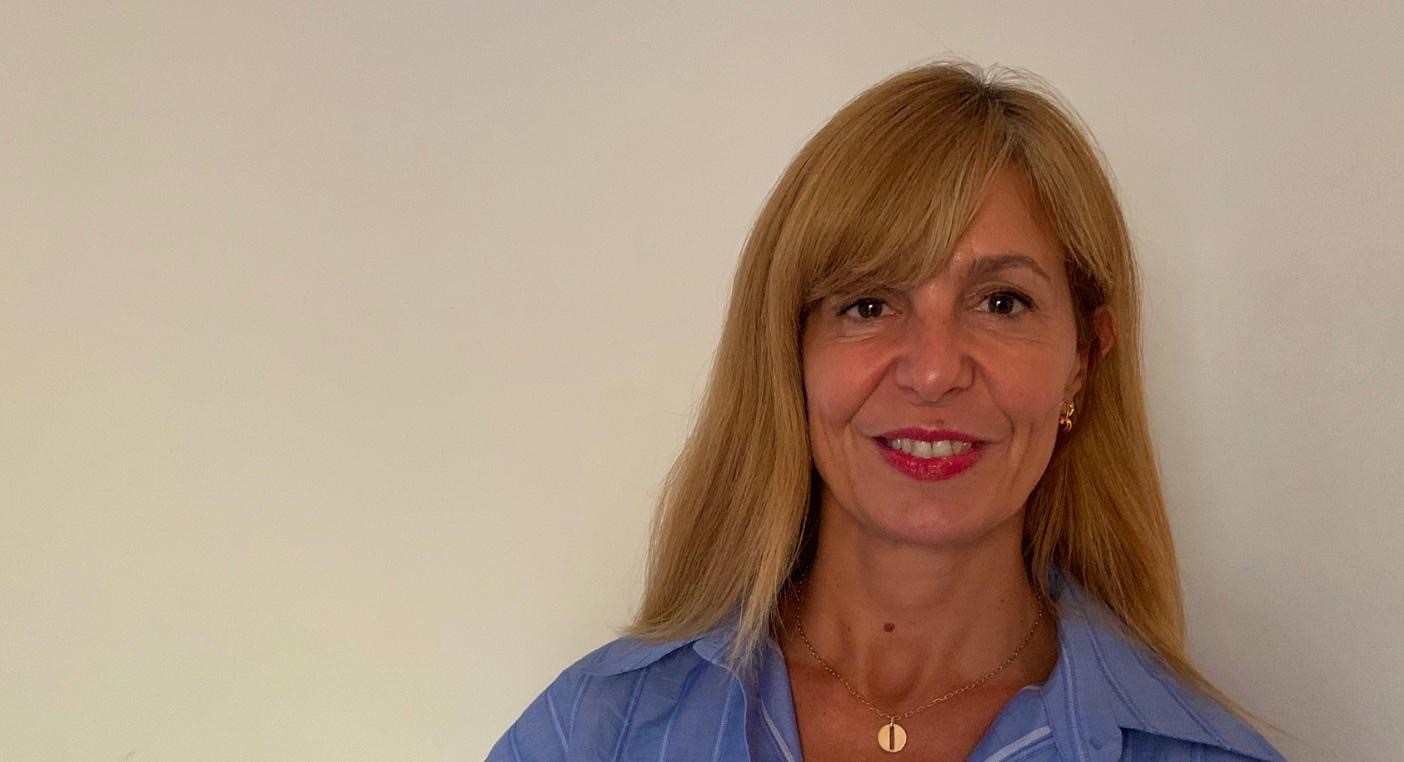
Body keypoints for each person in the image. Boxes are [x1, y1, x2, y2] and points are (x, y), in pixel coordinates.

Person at [488, 61, 1286, 761]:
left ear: (1083, 361)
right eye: (868, 304)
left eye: (1001, 302)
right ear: (789, 354)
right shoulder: (594, 734)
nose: (934, 371)